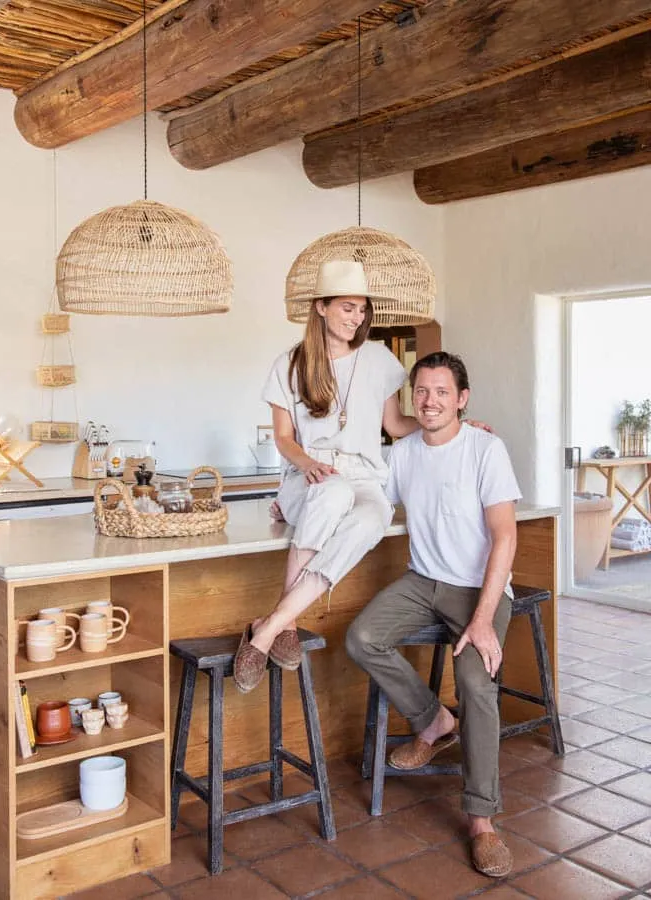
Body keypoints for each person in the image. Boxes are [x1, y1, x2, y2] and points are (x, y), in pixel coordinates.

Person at [345, 351, 521, 879]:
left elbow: (505, 536)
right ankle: (433, 720)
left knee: (475, 682)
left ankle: (482, 819)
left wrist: (483, 619)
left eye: (442, 392)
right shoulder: (402, 453)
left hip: (479, 589)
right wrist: (295, 503)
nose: (429, 401)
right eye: (421, 391)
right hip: (423, 582)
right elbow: (367, 497)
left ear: (462, 399)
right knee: (362, 637)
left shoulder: (486, 449)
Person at [233, 258, 421, 693]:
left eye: (361, 309)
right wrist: (307, 464)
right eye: (347, 308)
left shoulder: (378, 359)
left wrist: (451, 424)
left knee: (373, 519)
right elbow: (283, 438)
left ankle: (272, 626)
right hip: (310, 474)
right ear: (321, 306)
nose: (356, 318)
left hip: (365, 476)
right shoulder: (290, 364)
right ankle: (282, 626)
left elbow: (395, 425)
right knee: (332, 492)